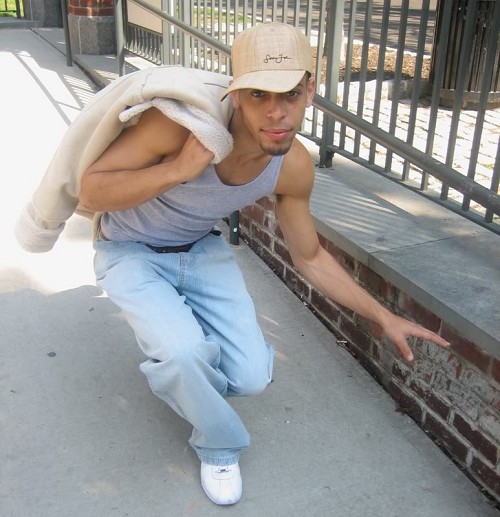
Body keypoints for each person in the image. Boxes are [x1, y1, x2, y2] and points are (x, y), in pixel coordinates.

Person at [78, 22, 450, 506]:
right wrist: (178, 170)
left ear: (310, 92)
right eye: (259, 94)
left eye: (291, 94)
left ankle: (185, 373)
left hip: (199, 248)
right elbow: (91, 191)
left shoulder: (291, 166)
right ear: (235, 95)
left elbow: (310, 256)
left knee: (251, 376)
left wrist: (383, 315)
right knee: (183, 352)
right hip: (129, 248)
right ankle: (218, 444)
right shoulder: (179, 127)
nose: (277, 112)